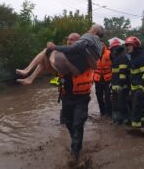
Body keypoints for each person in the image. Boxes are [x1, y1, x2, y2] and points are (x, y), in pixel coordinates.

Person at [49, 34, 93, 162]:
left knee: (78, 123)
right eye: (68, 39)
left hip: (82, 97)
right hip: (66, 97)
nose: (69, 41)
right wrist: (56, 81)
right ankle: (76, 141)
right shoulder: (62, 57)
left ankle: (75, 154)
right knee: (68, 123)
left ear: (78, 42)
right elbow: (57, 75)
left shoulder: (84, 57)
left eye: (72, 39)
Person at [16, 24, 104, 85]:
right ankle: (30, 78)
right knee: (44, 57)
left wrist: (54, 47)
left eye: (90, 28)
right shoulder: (99, 47)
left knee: (47, 50)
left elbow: (72, 49)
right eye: (68, 39)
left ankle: (27, 71)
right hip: (70, 85)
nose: (88, 30)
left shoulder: (88, 37)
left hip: (77, 90)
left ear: (94, 32)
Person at [125, 36, 144, 128]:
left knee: (136, 108)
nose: (127, 47)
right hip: (134, 88)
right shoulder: (133, 58)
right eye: (127, 45)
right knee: (138, 107)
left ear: (135, 46)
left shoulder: (142, 58)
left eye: (129, 45)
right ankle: (143, 124)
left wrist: (142, 88)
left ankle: (135, 128)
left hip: (140, 88)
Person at [109, 39, 130, 124]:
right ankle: (116, 119)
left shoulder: (122, 57)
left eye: (113, 49)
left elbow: (123, 73)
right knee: (115, 104)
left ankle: (125, 120)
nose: (112, 51)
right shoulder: (116, 58)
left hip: (121, 86)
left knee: (122, 103)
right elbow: (114, 74)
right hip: (115, 85)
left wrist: (120, 84)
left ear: (117, 48)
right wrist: (112, 83)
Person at [93, 42, 112, 117]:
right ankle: (102, 111)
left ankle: (109, 112)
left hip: (108, 78)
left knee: (108, 96)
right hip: (97, 78)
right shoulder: (94, 54)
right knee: (99, 95)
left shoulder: (110, 54)